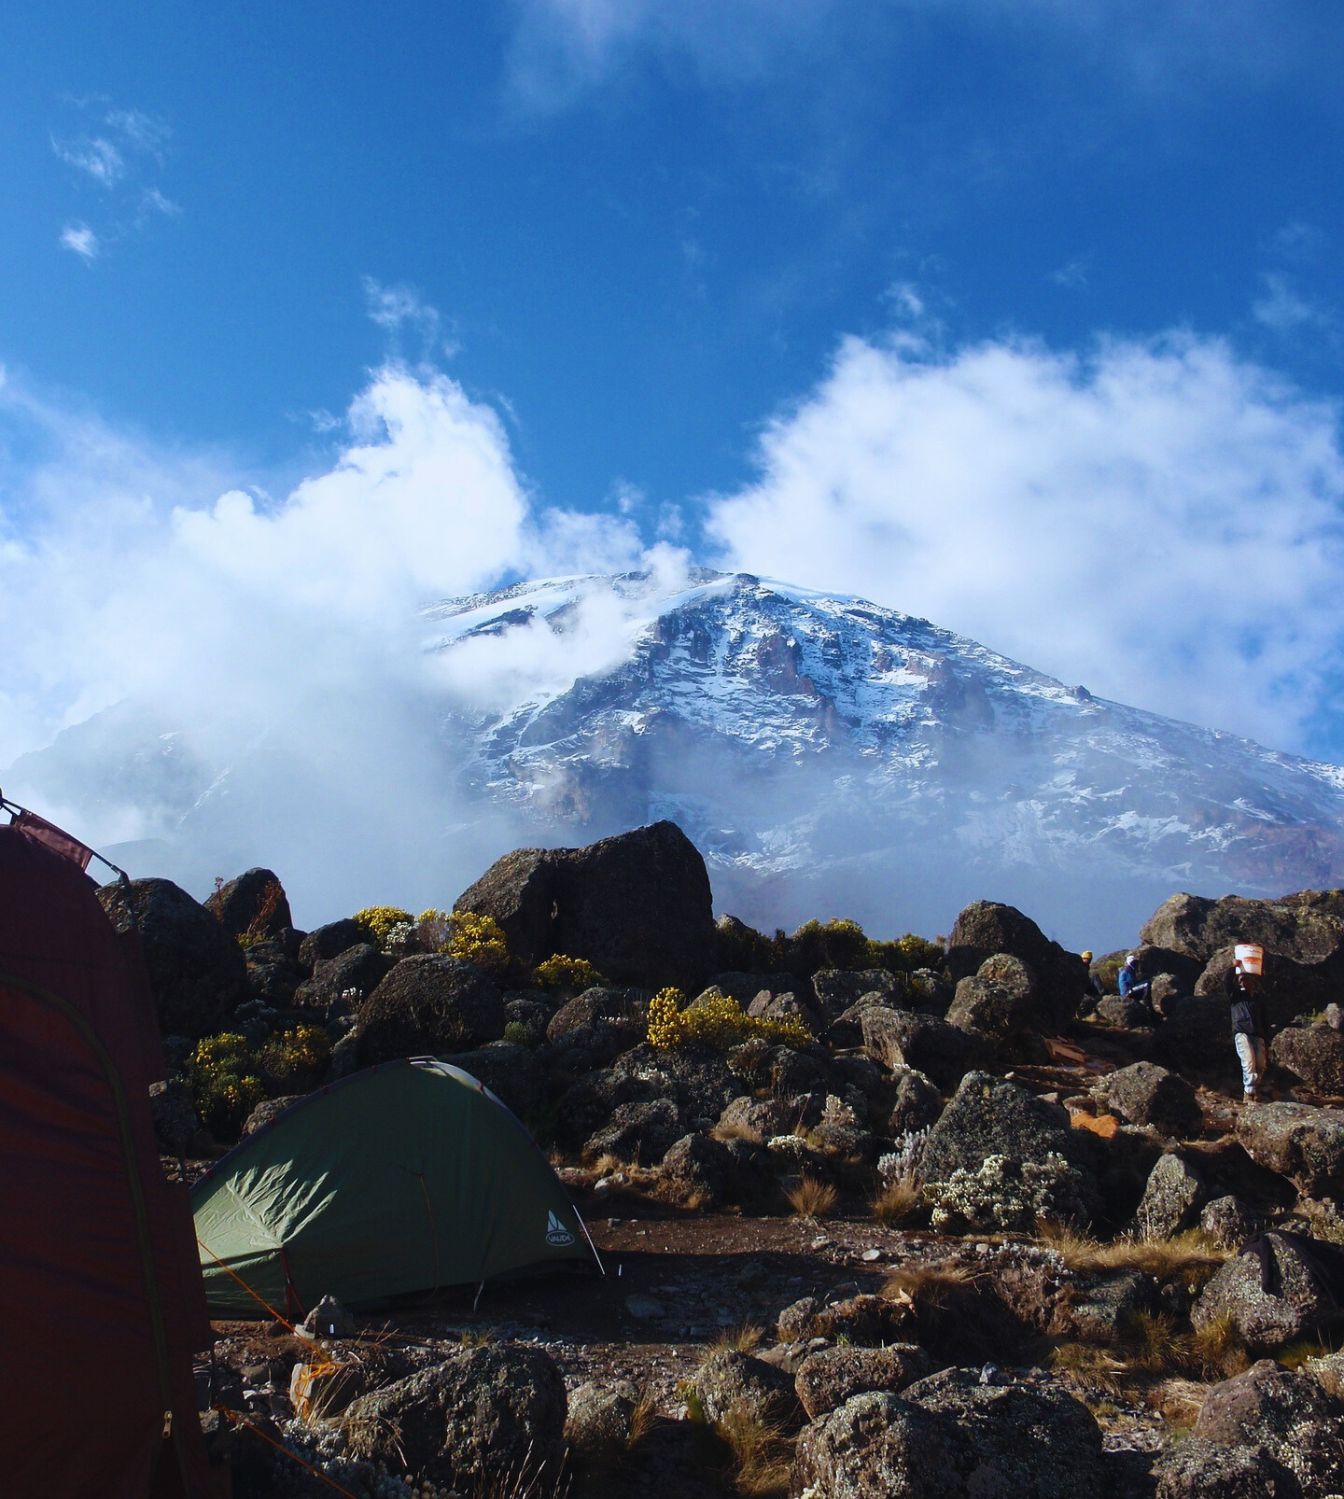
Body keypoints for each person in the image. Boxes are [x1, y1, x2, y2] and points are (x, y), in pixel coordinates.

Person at [1225, 943, 1270, 1102]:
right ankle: (1249, 1094)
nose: (1244, 982)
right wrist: (1233, 968)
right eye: (1241, 980)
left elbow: (1264, 1019)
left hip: (1258, 1035)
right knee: (1249, 1061)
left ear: (1252, 982)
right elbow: (1227, 984)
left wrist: (1266, 1038)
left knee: (1261, 1064)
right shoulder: (1236, 997)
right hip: (1242, 1032)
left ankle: (1253, 1089)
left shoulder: (1258, 999)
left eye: (1247, 979)